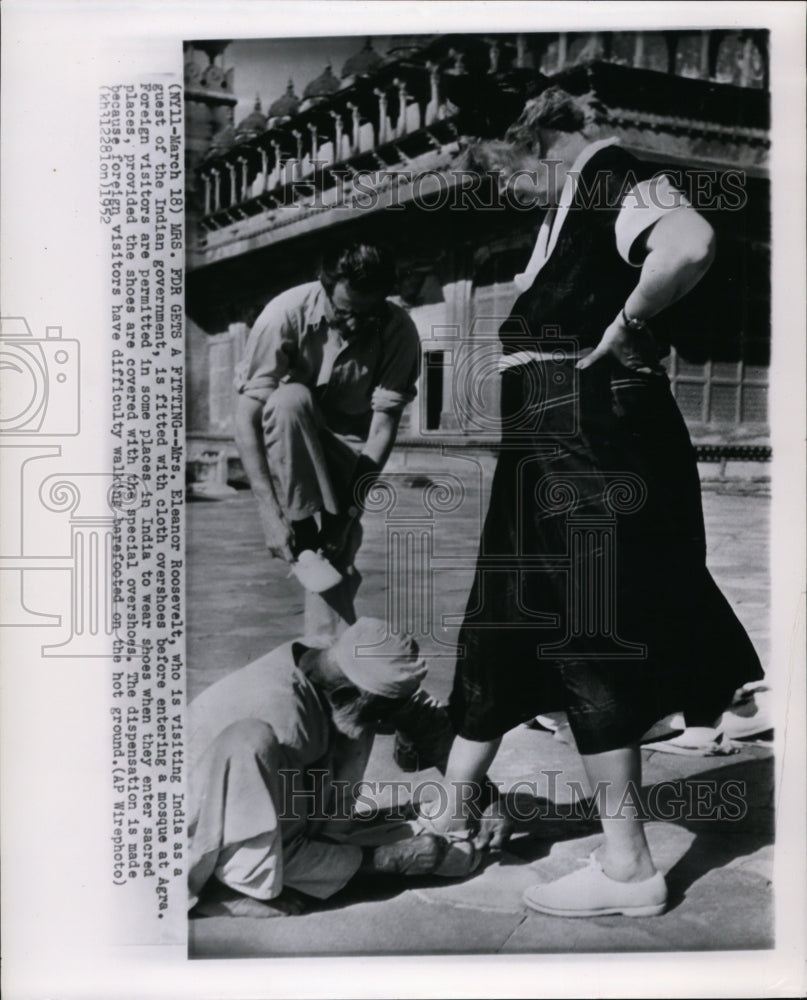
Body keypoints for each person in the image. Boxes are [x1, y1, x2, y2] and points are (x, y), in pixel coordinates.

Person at [420, 87, 764, 918]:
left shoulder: (611, 174)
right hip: (546, 438)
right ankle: (459, 797)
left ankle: (627, 866)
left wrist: (630, 322)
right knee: (503, 610)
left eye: (502, 172)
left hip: (588, 440)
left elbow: (690, 243)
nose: (506, 191)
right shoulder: (571, 202)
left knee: (587, 628)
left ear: (534, 138)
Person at [188, 618, 473, 918]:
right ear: (344, 695)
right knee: (342, 728)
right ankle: (224, 888)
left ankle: (327, 842)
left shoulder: (332, 658)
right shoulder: (285, 727)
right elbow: (289, 856)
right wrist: (392, 858)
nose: (391, 722)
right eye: (386, 709)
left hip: (259, 793)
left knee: (355, 724)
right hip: (175, 843)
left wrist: (481, 795)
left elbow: (419, 715)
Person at [234, 242, 421, 632]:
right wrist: (270, 513)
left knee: (335, 559)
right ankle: (303, 532)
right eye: (343, 311)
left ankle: (331, 665)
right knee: (288, 399)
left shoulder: (399, 330)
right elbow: (247, 414)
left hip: (348, 450)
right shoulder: (283, 314)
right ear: (325, 287)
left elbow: (381, 430)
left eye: (365, 315)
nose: (353, 323)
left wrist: (348, 515)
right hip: (287, 438)